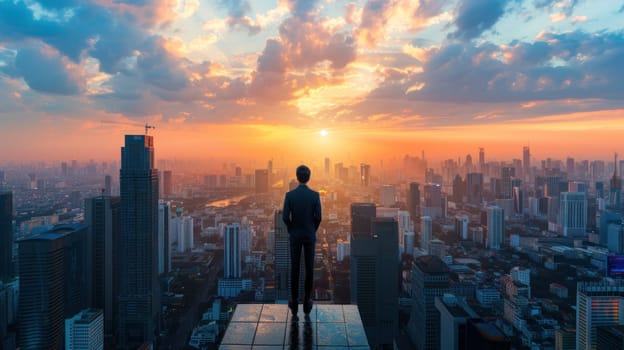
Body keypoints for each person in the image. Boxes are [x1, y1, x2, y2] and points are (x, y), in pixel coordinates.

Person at [282, 165, 322, 318]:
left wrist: (292, 229)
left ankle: (293, 301)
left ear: (297, 177)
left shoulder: (290, 195)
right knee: (309, 268)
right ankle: (307, 300)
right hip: (309, 235)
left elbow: (285, 217)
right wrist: (312, 229)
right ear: (309, 177)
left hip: (295, 235)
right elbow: (318, 217)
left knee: (295, 267)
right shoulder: (315, 195)